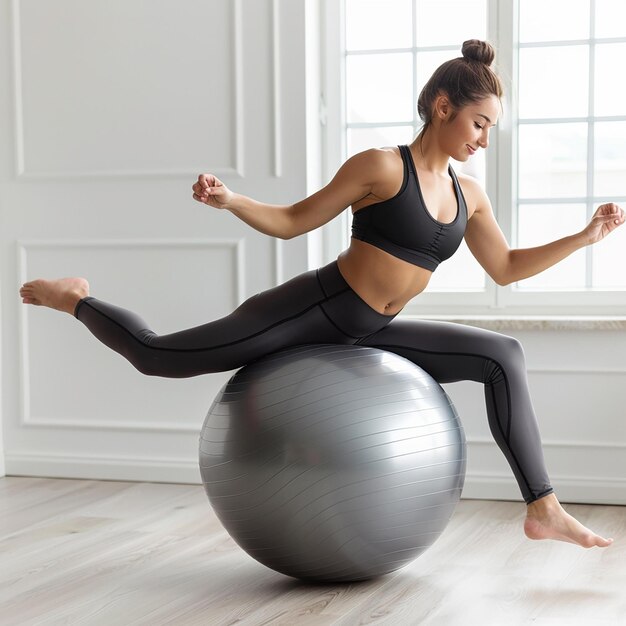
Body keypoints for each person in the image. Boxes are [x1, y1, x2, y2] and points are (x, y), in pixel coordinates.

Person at [21, 40, 621, 548]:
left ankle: (542, 506)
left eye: (491, 128)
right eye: (480, 123)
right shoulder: (383, 168)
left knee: (503, 356)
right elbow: (291, 220)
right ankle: (76, 298)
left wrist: (585, 236)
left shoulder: (470, 195)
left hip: (372, 329)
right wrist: (231, 200)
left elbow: (508, 268)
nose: (485, 139)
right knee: (159, 356)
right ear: (443, 108)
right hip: (314, 310)